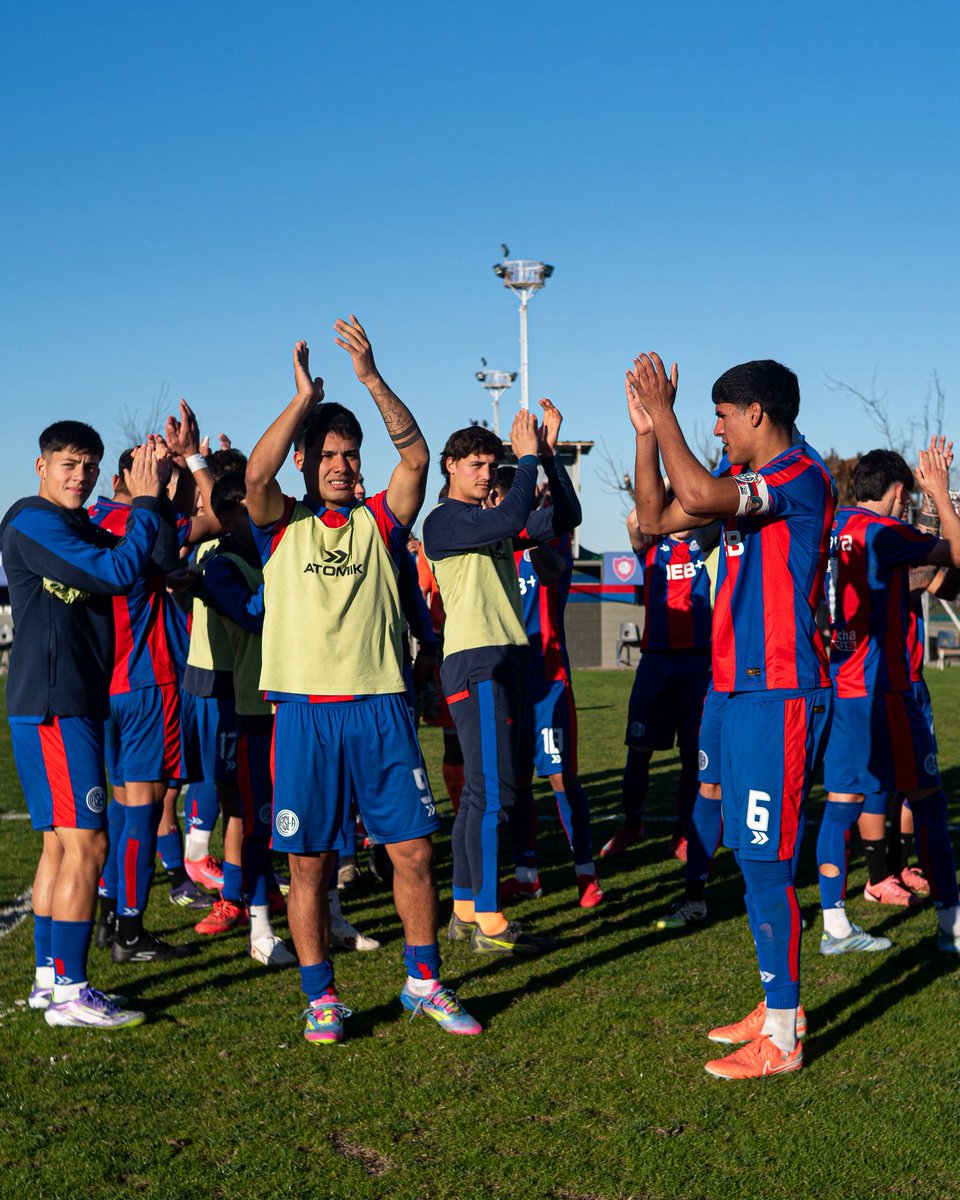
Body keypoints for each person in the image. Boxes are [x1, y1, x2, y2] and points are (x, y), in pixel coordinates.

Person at [245, 319, 480, 1043]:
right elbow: (255, 478)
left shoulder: (380, 520)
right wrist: (303, 401)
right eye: (327, 455)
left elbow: (416, 456)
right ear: (305, 460)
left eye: (350, 455)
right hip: (305, 715)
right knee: (309, 866)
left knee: (413, 853)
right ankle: (321, 998)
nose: (341, 466)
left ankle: (424, 982)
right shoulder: (279, 524)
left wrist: (371, 378)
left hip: (381, 709)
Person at [629, 354, 835, 1079]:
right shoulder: (744, 479)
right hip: (738, 691)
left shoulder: (797, 476)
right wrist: (648, 434)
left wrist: (667, 413)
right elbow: (656, 518)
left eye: (721, 417)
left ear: (756, 413)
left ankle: (784, 1037)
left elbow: (694, 490)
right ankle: (777, 1006)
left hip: (781, 692)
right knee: (752, 857)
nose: (715, 429)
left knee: (767, 860)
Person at [1, 421, 176, 1028]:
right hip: (57, 704)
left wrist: (160, 489)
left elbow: (154, 560)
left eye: (91, 466)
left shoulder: (78, 525)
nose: (81, 476)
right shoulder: (32, 520)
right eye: (69, 464)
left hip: (63, 702)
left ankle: (49, 981)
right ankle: (72, 992)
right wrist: (145, 502)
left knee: (59, 845)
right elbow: (116, 574)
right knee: (89, 844)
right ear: (41, 466)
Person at [422, 403, 582, 955]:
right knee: (494, 794)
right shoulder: (444, 520)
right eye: (476, 464)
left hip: (503, 659)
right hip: (478, 661)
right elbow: (512, 519)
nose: (487, 474)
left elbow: (565, 517)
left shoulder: (488, 523)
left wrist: (549, 458)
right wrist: (527, 458)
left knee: (478, 795)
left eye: (493, 465)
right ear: (449, 466)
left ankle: (467, 908)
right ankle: (490, 924)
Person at [817, 445, 960, 955]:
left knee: (841, 803)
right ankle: (951, 925)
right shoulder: (883, 530)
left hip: (841, 683)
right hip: (885, 688)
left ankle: (835, 924)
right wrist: (941, 494)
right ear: (899, 492)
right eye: (909, 497)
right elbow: (956, 554)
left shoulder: (832, 527)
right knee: (928, 800)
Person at [488, 465, 603, 909]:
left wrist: (533, 544)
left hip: (549, 680)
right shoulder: (488, 545)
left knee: (559, 777)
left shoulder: (550, 539)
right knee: (516, 782)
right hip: (507, 680)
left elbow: (554, 573)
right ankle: (527, 875)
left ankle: (585, 873)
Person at [601, 506, 714, 866]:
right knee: (639, 749)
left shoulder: (707, 542)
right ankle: (632, 824)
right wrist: (666, 486)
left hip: (699, 662)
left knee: (692, 756)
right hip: (656, 662)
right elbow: (632, 520)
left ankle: (682, 832)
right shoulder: (652, 546)